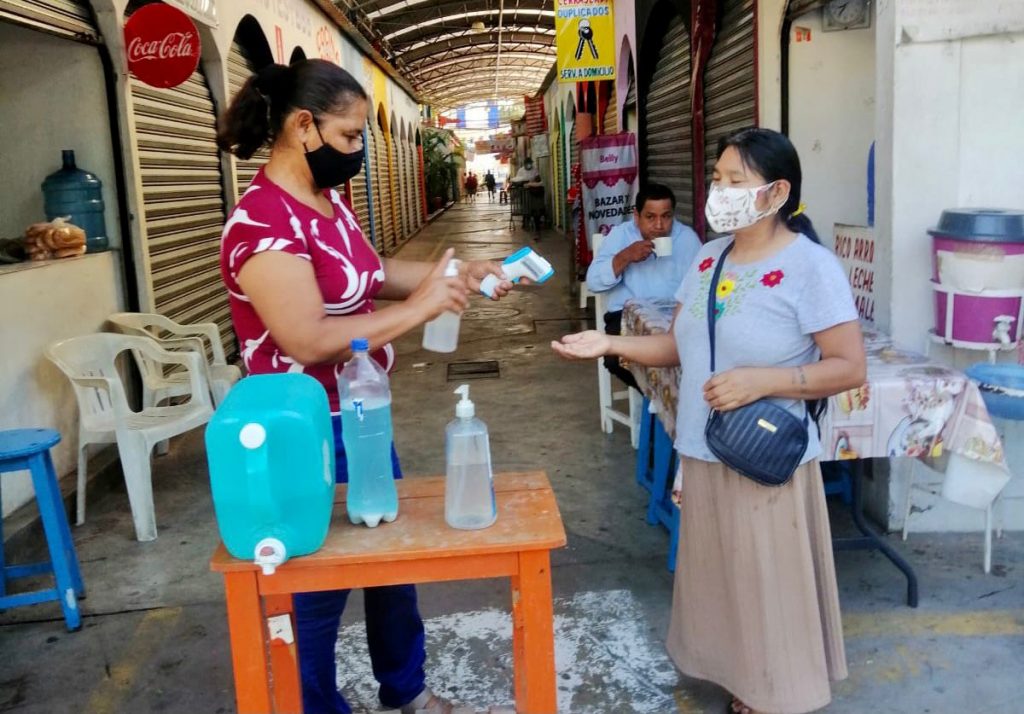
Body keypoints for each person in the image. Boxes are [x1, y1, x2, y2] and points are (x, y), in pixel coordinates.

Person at [216, 59, 516, 714]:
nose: (357, 151)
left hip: (362, 417)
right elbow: (307, 337)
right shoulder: (262, 224)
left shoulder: (328, 205)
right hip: (304, 437)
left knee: (391, 573)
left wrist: (464, 271)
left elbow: (373, 272)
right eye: (351, 136)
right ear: (303, 127)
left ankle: (404, 690)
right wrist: (423, 309)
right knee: (315, 596)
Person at [552, 127, 865, 714]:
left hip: (763, 455)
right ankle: (739, 676)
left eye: (734, 181)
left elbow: (848, 367)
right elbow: (677, 347)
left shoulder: (810, 267)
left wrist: (765, 381)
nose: (718, 192)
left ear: (775, 194)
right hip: (702, 447)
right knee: (724, 579)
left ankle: (776, 690)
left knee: (767, 582)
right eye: (717, 179)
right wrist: (606, 343)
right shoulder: (706, 258)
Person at [585, 183, 701, 390]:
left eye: (666, 216)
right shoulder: (621, 235)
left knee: (697, 355)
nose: (659, 225)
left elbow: (702, 285)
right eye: (650, 217)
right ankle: (660, 400)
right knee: (615, 359)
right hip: (626, 316)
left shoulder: (687, 238)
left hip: (673, 314)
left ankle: (667, 402)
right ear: (637, 216)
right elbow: (593, 282)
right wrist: (626, 256)